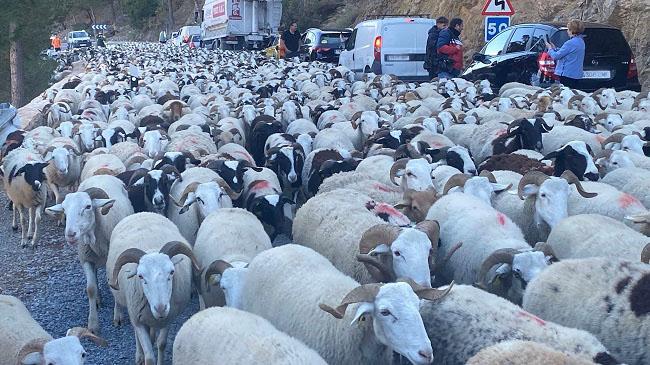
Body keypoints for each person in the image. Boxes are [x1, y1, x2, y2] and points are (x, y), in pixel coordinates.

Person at [545, 19, 585, 89]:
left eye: (568, 29)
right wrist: (555, 48)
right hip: (576, 74)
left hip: (567, 74)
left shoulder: (569, 43)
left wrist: (550, 48)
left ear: (572, 31)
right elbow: (567, 52)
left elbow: (555, 56)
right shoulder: (581, 42)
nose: (567, 31)